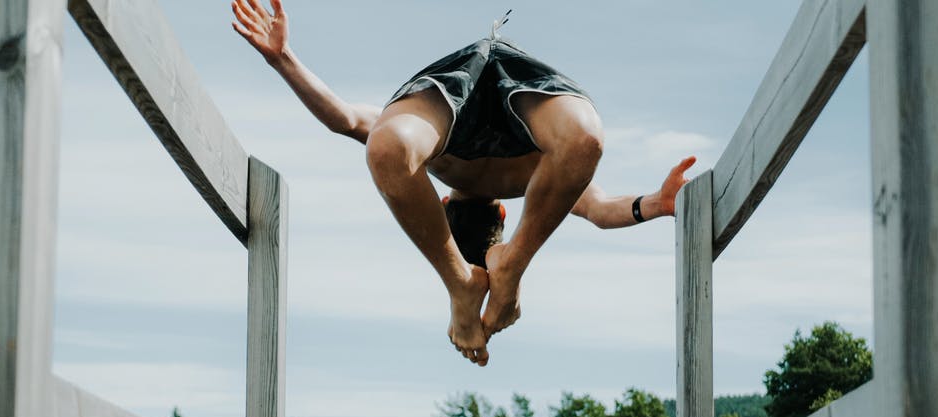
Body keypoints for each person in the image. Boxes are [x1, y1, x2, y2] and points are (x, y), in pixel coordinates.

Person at [231, 1, 695, 366]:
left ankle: (463, 280)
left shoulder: (521, 178)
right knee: (581, 140)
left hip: (456, 104)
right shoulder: (530, 183)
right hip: (510, 102)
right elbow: (601, 207)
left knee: (391, 147)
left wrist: (655, 203)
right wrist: (283, 58)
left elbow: (599, 208)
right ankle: (507, 264)